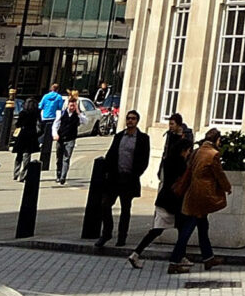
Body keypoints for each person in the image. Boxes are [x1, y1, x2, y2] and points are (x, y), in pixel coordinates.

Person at [127, 117, 194, 268]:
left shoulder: (169, 160)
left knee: (158, 230)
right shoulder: (181, 164)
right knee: (180, 229)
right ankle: (178, 257)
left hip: (164, 199)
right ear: (183, 150)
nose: (188, 153)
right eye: (188, 151)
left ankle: (136, 254)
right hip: (173, 202)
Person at [169, 128, 228, 273]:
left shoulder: (197, 151)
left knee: (203, 227)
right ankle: (174, 261)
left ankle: (208, 258)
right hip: (202, 196)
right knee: (188, 229)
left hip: (192, 193)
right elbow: (219, 174)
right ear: (216, 140)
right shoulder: (213, 154)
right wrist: (227, 187)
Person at [96, 107, 151, 250]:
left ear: (137, 121)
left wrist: (136, 174)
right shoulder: (119, 136)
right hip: (115, 177)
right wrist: (106, 172)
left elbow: (144, 160)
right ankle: (106, 233)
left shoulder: (143, 139)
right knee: (105, 205)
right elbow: (111, 154)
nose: (130, 121)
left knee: (125, 209)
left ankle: (122, 236)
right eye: (128, 118)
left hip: (129, 179)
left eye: (133, 119)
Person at [52, 92, 84, 184]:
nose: (72, 107)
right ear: (67, 105)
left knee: (66, 158)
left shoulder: (78, 115)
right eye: (71, 105)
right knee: (59, 158)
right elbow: (55, 125)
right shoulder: (61, 113)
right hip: (60, 139)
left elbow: (85, 121)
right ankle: (58, 174)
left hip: (70, 139)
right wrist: (55, 134)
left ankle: (63, 177)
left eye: (74, 106)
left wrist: (78, 112)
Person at [11, 97, 41, 182]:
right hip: (31, 135)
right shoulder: (35, 113)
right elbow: (40, 124)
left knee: (19, 155)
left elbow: (18, 124)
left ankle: (15, 173)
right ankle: (23, 175)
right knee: (27, 155)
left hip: (22, 134)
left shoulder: (22, 113)